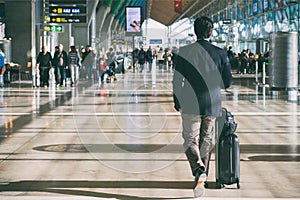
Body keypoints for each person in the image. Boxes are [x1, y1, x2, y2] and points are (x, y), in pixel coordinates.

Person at [172, 16, 232, 198]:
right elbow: (227, 82)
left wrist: (177, 100)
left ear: (195, 32)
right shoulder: (221, 53)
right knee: (205, 141)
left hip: (190, 103)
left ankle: (199, 171)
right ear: (211, 32)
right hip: (212, 103)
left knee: (190, 140)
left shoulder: (184, 51)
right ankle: (202, 179)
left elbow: (177, 80)